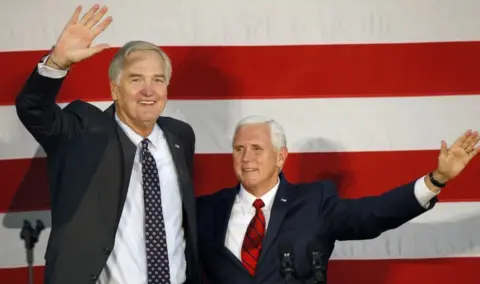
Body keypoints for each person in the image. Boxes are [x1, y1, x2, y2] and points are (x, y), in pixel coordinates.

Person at [15, 5, 201, 284]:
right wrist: (57, 62)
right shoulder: (83, 131)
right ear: (114, 88)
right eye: (136, 79)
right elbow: (34, 110)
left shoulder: (180, 136)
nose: (148, 90)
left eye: (157, 80)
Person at [196, 115, 479, 284]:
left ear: (281, 157)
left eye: (257, 148)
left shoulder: (314, 202)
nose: (246, 158)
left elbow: (373, 214)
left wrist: (435, 180)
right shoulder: (205, 210)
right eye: (238, 149)